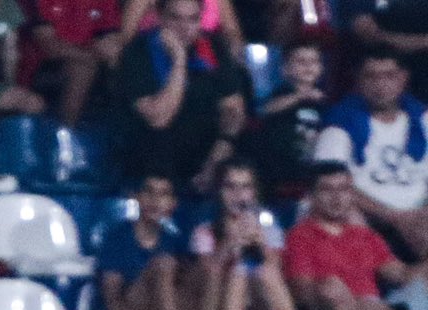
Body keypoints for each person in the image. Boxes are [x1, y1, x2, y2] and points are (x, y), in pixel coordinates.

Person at [285, 162, 428, 310]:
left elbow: (403, 275)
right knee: (330, 287)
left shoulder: (365, 236)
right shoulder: (300, 236)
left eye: (343, 189)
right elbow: (304, 294)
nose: (337, 198)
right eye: (327, 190)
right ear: (312, 196)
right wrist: (359, 304)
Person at [111, 0, 246, 193]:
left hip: (206, 163)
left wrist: (215, 160)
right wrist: (179, 60)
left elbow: (234, 109)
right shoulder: (138, 51)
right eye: (176, 18)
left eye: (192, 20)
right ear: (160, 17)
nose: (185, 28)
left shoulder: (214, 48)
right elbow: (159, 117)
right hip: (150, 170)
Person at [313, 50, 428, 261]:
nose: (381, 85)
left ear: (403, 78)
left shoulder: (423, 120)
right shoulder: (340, 124)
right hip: (369, 216)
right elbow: (327, 185)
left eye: (389, 76)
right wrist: (395, 217)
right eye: (371, 76)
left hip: (421, 214)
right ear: (359, 80)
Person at [188, 160, 305, 310]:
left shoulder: (268, 229)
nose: (238, 195)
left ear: (254, 192)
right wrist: (228, 243)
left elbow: (276, 276)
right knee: (240, 270)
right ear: (220, 192)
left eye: (245, 187)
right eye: (230, 187)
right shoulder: (204, 232)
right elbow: (207, 278)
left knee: (262, 271)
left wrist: (261, 244)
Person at [93, 173, 188, 310]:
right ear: (136, 197)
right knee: (163, 264)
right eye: (149, 192)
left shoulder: (174, 242)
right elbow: (113, 303)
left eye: (163, 194)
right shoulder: (117, 239)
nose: (155, 200)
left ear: (173, 203)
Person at [242, 38, 325, 195]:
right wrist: (300, 96)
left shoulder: (323, 102)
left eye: (313, 61)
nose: (308, 67)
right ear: (285, 69)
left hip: (310, 173)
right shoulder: (280, 96)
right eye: (301, 61)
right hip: (279, 173)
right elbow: (265, 110)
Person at [29, 0, 128, 126]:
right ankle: (66, 131)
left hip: (88, 55)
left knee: (119, 57)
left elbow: (110, 35)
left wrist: (109, 51)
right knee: (83, 68)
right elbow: (48, 45)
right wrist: (90, 55)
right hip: (41, 63)